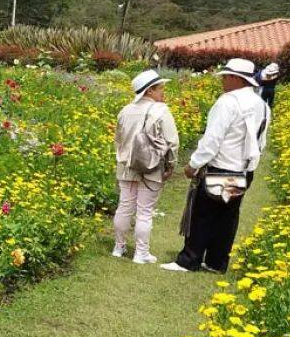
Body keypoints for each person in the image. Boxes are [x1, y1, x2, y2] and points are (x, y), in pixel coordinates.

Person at [162, 57, 269, 274]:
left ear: (233, 78)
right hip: (244, 170)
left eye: (225, 77)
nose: (223, 82)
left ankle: (189, 259)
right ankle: (216, 262)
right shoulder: (262, 105)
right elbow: (261, 140)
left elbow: (212, 139)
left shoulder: (228, 102)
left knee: (203, 214)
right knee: (227, 217)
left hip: (221, 168)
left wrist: (193, 165)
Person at [112, 69, 180, 263]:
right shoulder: (161, 110)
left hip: (126, 165)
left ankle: (119, 247)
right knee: (144, 210)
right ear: (150, 91)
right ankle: (141, 253)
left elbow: (118, 139)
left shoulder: (125, 110)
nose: (162, 93)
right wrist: (170, 165)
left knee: (124, 206)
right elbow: (172, 142)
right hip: (152, 166)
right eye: (160, 89)